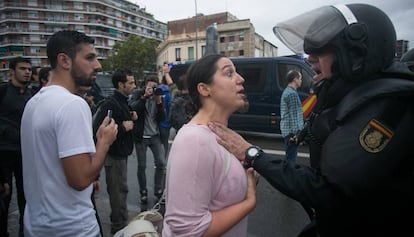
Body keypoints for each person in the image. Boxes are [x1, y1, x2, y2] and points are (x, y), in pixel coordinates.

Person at [208, 4, 414, 236]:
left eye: (323, 50)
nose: (311, 58)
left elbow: (327, 190)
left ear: (355, 54)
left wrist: (252, 153)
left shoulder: (389, 108)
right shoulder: (355, 95)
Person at [20, 30, 118, 236]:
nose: (98, 65)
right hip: (73, 228)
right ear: (65, 60)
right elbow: (80, 180)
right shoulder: (72, 104)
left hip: (36, 226)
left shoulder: (33, 103)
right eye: (89, 57)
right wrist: (104, 143)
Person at [163, 54, 257, 237]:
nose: (241, 79)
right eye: (229, 73)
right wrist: (249, 202)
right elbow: (186, 231)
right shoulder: (195, 141)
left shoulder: (226, 137)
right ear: (205, 89)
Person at [92, 69, 138, 234]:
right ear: (121, 84)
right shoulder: (110, 103)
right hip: (114, 155)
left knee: (122, 190)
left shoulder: (123, 101)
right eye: (131, 82)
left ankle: (121, 224)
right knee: (118, 193)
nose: (134, 85)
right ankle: (119, 227)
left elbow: (121, 117)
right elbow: (99, 128)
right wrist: (123, 127)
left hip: (121, 154)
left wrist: (131, 116)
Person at [0, 56, 32, 237]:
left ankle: (24, 230)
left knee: (25, 195)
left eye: (29, 69)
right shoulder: (3, 91)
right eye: (22, 69)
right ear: (12, 72)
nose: (27, 72)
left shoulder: (32, 95)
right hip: (4, 153)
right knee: (4, 196)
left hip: (24, 153)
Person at [129, 75, 166, 205]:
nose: (152, 89)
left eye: (155, 86)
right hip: (141, 136)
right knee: (142, 166)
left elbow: (162, 118)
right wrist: (144, 97)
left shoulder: (159, 96)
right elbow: (132, 107)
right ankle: (143, 192)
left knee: (161, 163)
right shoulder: (138, 94)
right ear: (145, 85)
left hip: (155, 135)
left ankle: (158, 190)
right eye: (150, 86)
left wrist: (159, 102)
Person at [280, 70, 303, 162]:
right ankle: (288, 175)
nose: (301, 81)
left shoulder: (287, 91)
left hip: (287, 129)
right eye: (300, 78)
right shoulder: (292, 94)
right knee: (291, 158)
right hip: (291, 132)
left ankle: (286, 173)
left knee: (289, 155)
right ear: (295, 80)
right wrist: (297, 134)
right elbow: (294, 116)